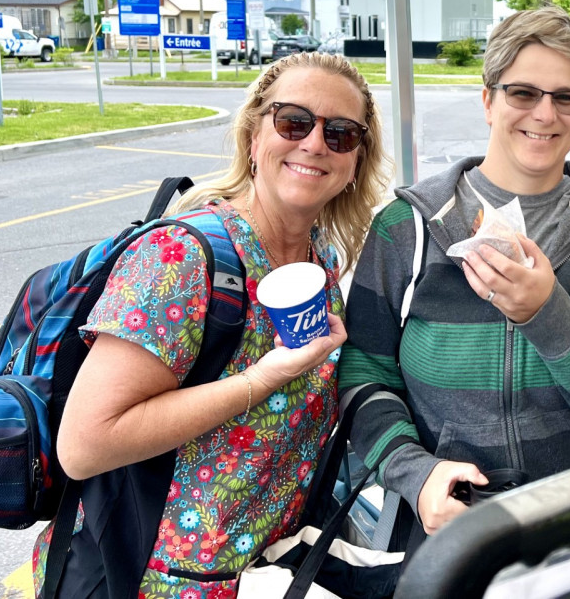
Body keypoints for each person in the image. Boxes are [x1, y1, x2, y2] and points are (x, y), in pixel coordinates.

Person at [34, 52, 391, 598]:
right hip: (154, 578)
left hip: (264, 568)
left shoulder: (319, 260)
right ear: (254, 136)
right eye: (293, 121)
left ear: (354, 163)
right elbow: (86, 444)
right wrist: (260, 381)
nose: (315, 143)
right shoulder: (181, 256)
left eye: (340, 134)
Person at [339, 5, 570, 543]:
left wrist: (547, 316)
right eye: (523, 93)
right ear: (488, 100)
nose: (545, 114)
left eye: (567, 97)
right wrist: (416, 475)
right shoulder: (407, 226)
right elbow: (364, 372)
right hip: (443, 524)